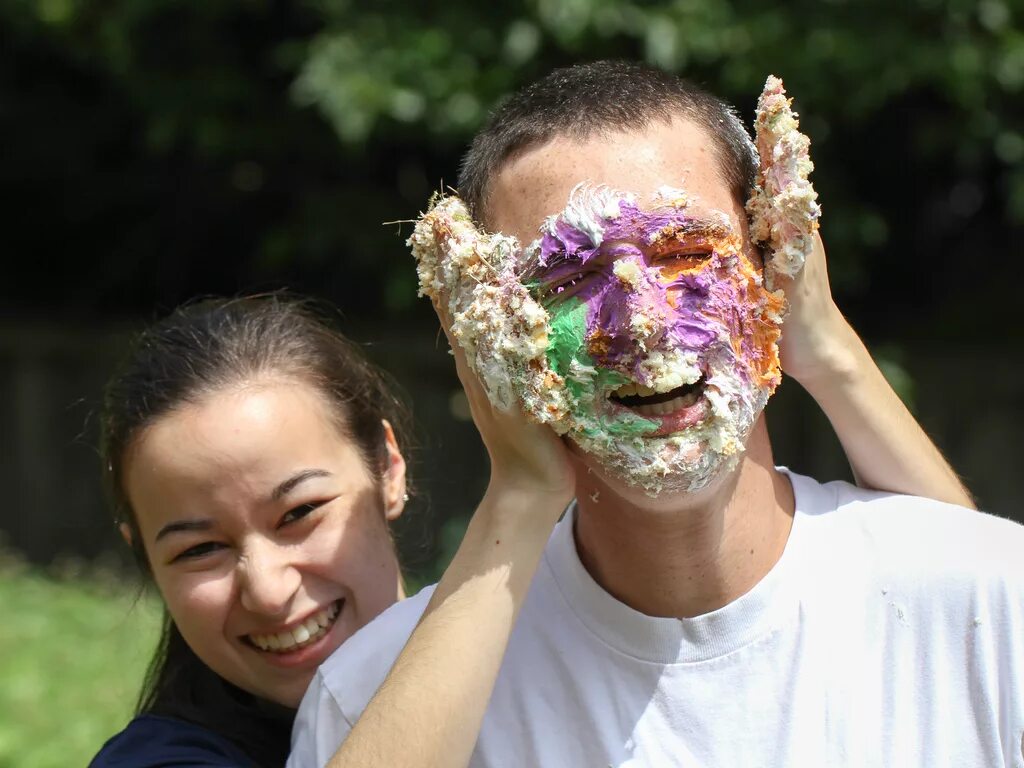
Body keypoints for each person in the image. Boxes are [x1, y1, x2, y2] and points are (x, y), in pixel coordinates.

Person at [289, 61, 1021, 767]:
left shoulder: (993, 605)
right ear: (492, 329)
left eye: (684, 253)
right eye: (572, 275)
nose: (641, 325)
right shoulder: (372, 705)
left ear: (775, 262)